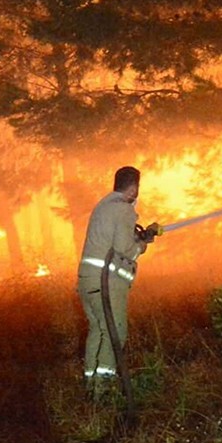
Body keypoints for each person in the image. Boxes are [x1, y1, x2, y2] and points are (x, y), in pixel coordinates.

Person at [76, 166, 160, 397]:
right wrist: (142, 246)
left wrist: (140, 235)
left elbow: (113, 240)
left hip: (87, 281)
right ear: (133, 188)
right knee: (116, 333)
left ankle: (90, 386)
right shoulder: (123, 210)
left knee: (98, 330)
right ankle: (103, 392)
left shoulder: (104, 207)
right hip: (107, 282)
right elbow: (124, 249)